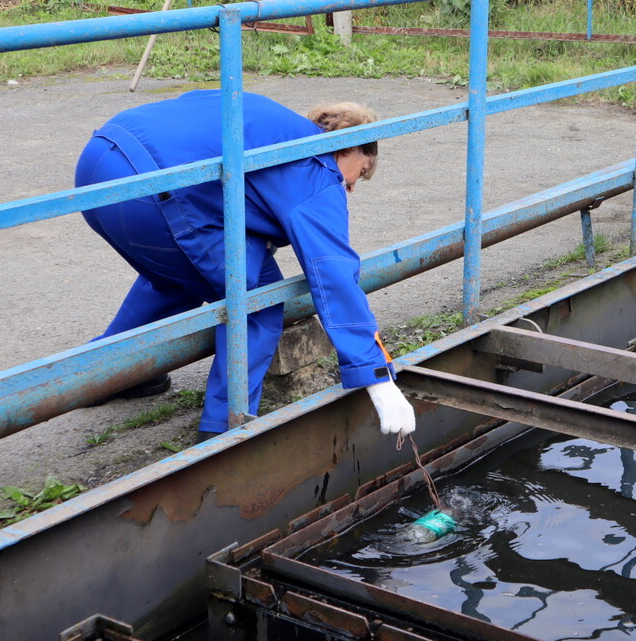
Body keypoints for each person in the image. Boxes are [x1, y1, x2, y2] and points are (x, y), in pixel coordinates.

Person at [75, 89, 416, 442]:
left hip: (100, 162)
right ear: (348, 148)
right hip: (153, 191)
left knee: (181, 274)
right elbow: (332, 271)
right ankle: (221, 433)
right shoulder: (315, 164)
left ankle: (104, 374)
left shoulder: (269, 116)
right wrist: (377, 377)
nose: (350, 188)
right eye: (358, 174)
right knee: (259, 302)